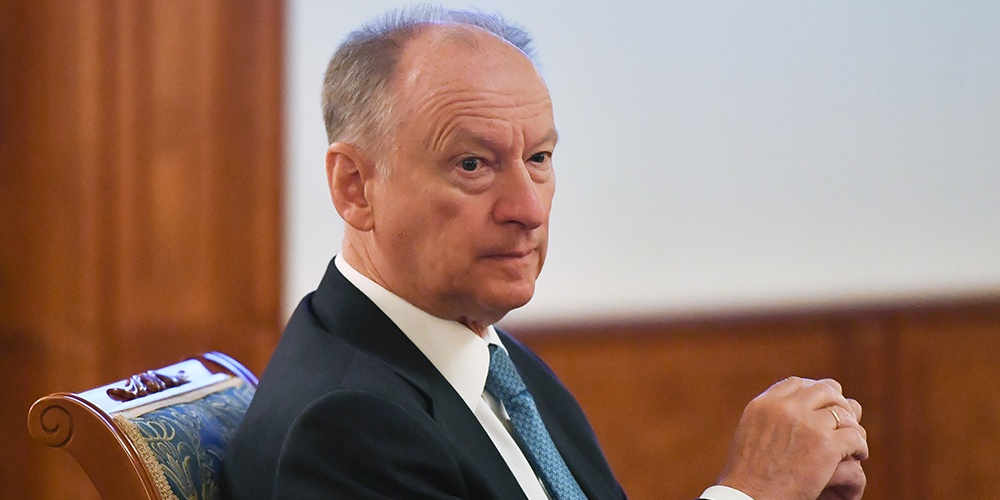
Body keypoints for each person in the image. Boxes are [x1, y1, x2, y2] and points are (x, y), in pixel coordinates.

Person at [222, 6, 868, 500]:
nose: (528, 209)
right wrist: (751, 493)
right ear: (354, 187)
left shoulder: (496, 363)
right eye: (472, 164)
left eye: (538, 158)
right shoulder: (343, 426)